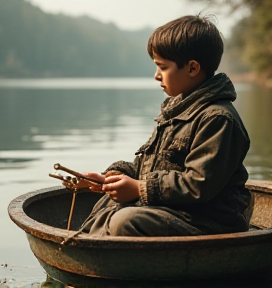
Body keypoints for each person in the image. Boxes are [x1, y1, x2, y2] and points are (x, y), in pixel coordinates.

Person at [79, 14, 251, 237]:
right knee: (107, 203)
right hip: (174, 211)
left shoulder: (218, 119)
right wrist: (112, 177)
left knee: (124, 220)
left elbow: (197, 185)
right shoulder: (175, 112)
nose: (156, 76)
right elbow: (147, 165)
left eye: (163, 67)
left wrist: (139, 188)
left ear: (192, 68)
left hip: (209, 221)